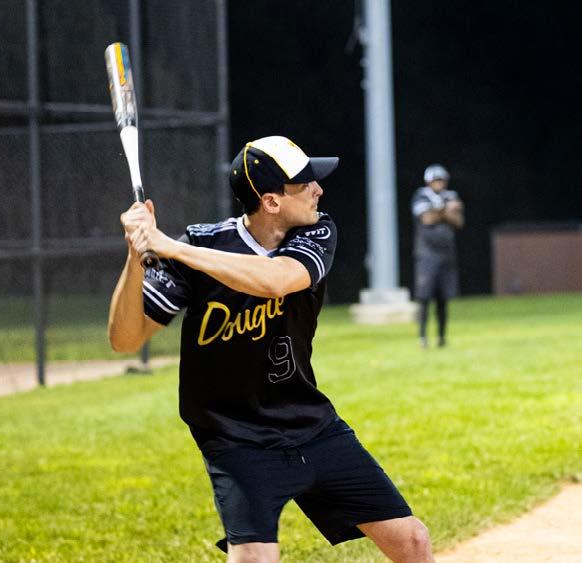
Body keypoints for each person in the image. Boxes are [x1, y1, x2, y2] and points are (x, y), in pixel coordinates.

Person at [109, 136, 434, 562]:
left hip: (309, 423)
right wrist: (135, 256)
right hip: (235, 439)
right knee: (255, 557)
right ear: (271, 202)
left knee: (413, 540)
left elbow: (277, 280)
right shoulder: (203, 245)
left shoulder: (316, 230)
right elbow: (125, 339)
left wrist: (174, 248)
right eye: (305, 184)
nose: (318, 190)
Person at [411, 164, 464, 348]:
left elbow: (458, 221)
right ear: (429, 181)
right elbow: (427, 219)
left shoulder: (451, 195)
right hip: (427, 254)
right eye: (436, 180)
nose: (439, 183)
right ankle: (422, 337)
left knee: (443, 298)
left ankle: (441, 338)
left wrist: (437, 212)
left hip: (446, 254)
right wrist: (445, 210)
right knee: (424, 297)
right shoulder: (421, 196)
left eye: (442, 180)